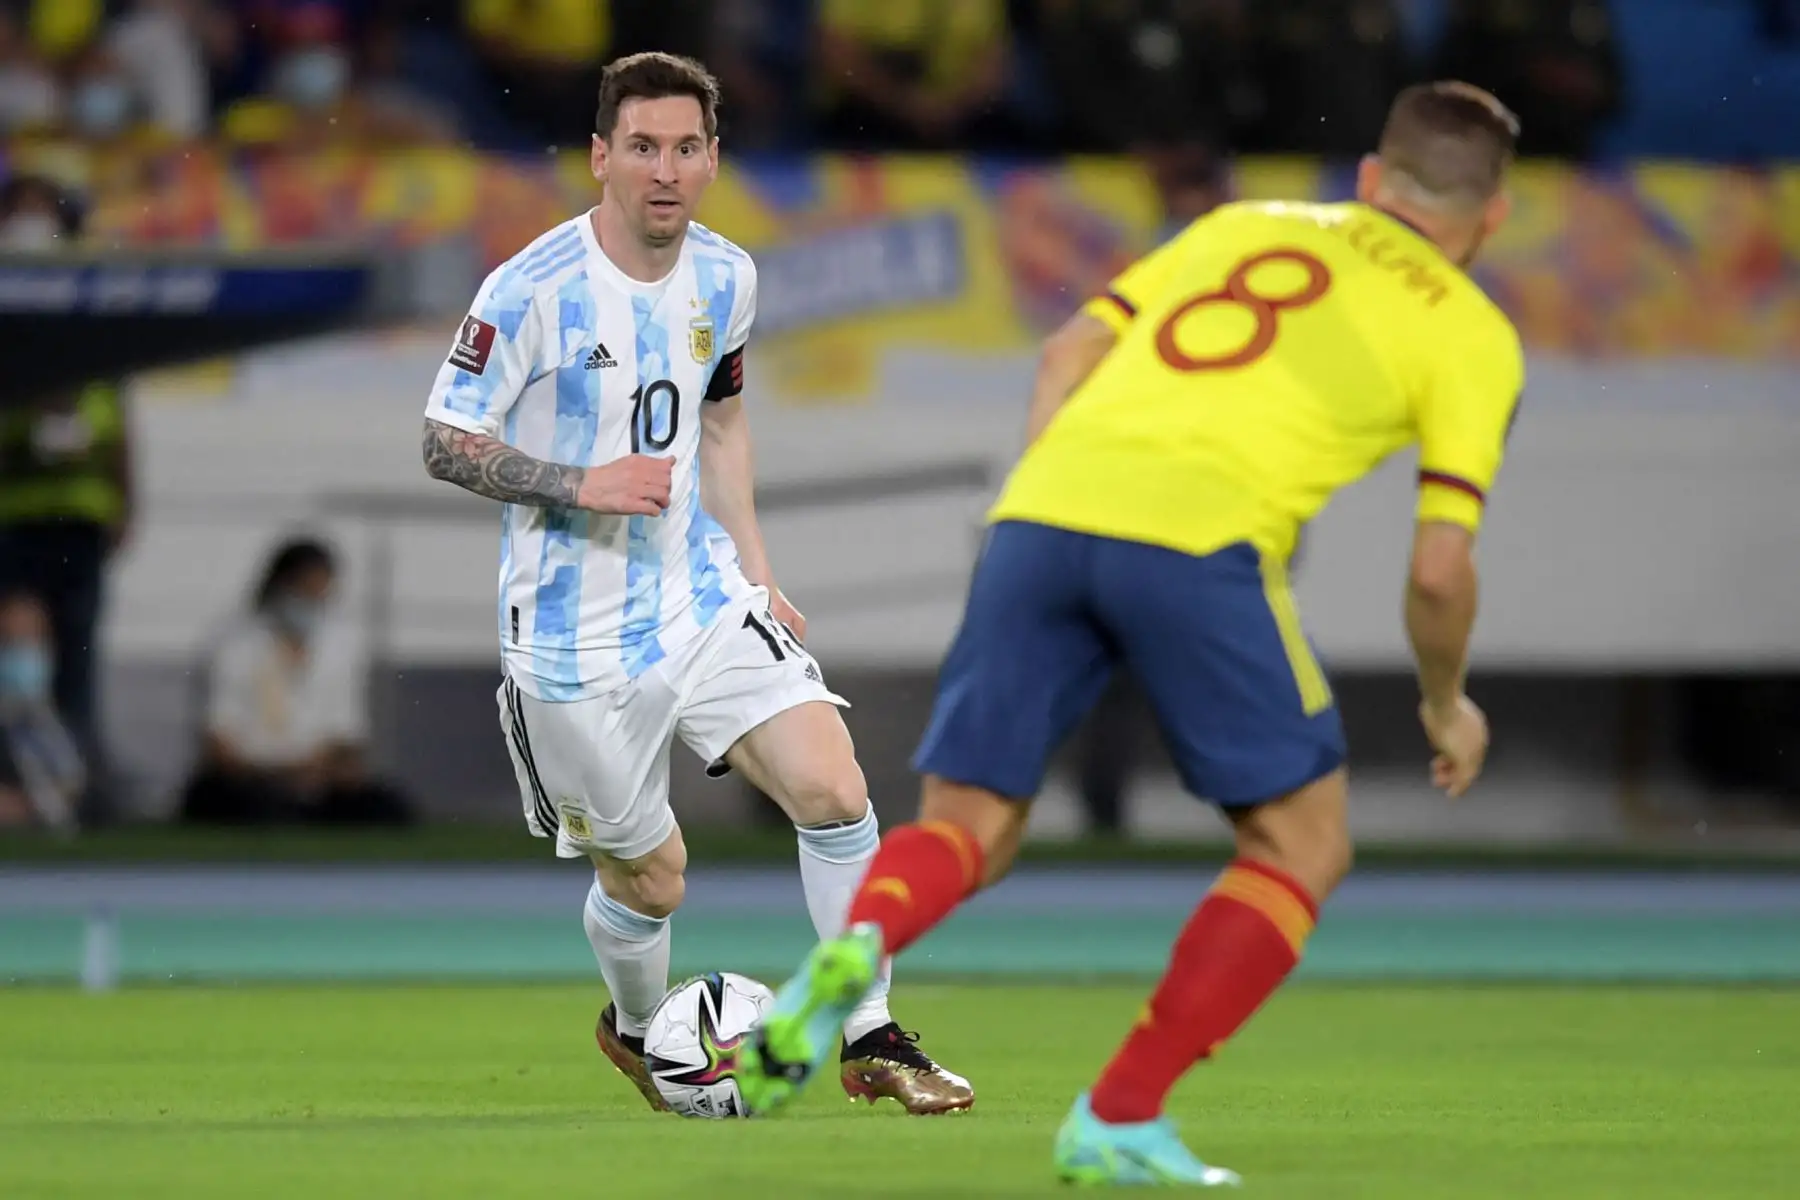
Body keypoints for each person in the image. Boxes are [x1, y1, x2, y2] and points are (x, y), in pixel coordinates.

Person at [739, 81, 1524, 1185]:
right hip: (1198, 544)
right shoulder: (1472, 333)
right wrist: (1446, 703)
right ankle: (1120, 1112)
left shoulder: (1244, 225)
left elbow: (1065, 354)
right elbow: (1441, 569)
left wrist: (1060, 521)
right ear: (1491, 219)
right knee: (1303, 845)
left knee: (972, 827)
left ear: (1367, 180)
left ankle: (857, 949)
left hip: (1040, 516)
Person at [418, 52, 971, 1116]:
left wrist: (755, 573)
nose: (663, 171)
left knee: (836, 787)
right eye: (641, 147)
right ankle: (634, 1029)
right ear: (599, 158)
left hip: (696, 596)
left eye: (684, 149)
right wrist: (579, 481)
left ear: (712, 160)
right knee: (653, 879)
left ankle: (873, 1035)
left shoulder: (728, 277)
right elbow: (444, 440)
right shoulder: (530, 290)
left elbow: (721, 422)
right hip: (571, 640)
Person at [0, 173, 132, 818]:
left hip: (77, 518)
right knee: (16, 662)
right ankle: (18, 785)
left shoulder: (93, 314)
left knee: (76, 665)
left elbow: (119, 428)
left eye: (40, 213)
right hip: (13, 516)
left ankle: (81, 791)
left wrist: (122, 501)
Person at [181, 537, 412, 827]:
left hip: (315, 783)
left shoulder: (340, 647)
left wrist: (317, 772)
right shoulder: (234, 643)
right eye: (305, 592)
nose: (313, 603)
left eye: (321, 594)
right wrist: (275, 774)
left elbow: (347, 741)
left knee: (385, 806)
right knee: (229, 801)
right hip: (251, 780)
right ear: (280, 587)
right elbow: (218, 742)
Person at [0, 590, 84, 831]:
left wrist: (30, 806)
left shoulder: (67, 728)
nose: (20, 654)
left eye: (28, 643)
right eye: (8, 642)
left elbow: (88, 792)